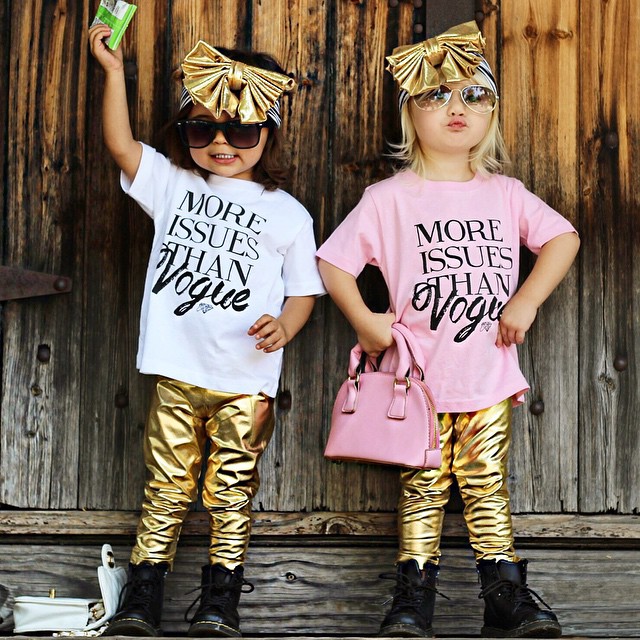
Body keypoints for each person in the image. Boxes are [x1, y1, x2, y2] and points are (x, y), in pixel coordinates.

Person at [317, 21, 579, 639]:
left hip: (487, 373)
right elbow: (333, 263)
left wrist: (526, 301)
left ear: (491, 111)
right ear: (411, 112)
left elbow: (562, 238)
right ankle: (413, 600)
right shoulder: (389, 198)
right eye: (436, 95)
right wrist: (366, 322)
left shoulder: (506, 194)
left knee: (487, 483)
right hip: (417, 380)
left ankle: (504, 600)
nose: (456, 107)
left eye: (473, 95)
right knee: (423, 487)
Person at [88, 26, 325, 638]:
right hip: (178, 371)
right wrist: (113, 72)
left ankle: (221, 599)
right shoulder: (174, 184)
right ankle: (144, 594)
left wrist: (286, 325)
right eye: (203, 130)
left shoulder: (287, 213)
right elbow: (120, 145)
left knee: (231, 489)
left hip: (246, 380)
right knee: (166, 484)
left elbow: (304, 290)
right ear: (185, 133)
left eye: (240, 131)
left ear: (267, 133)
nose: (221, 143)